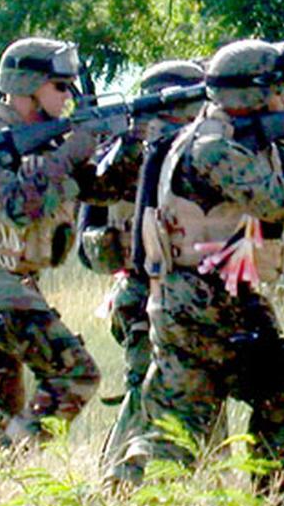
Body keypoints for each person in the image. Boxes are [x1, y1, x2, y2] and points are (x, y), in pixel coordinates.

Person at [111, 38, 284, 506]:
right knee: (215, 430)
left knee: (229, 423)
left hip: (220, 300)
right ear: (251, 95)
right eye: (278, 91)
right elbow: (283, 198)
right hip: (204, 304)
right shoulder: (212, 147)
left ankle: (143, 498)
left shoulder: (241, 145)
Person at [0, 37, 124, 450]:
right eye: (60, 87)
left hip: (6, 291)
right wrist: (72, 153)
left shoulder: (45, 142)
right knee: (76, 375)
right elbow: (14, 206)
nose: (68, 97)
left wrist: (126, 144)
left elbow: (106, 190)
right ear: (26, 86)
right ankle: (14, 450)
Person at [75, 59, 208, 475]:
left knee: (195, 395)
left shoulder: (194, 152)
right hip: (141, 299)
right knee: (145, 395)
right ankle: (117, 480)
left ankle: (201, 480)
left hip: (189, 296)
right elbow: (88, 240)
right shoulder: (126, 155)